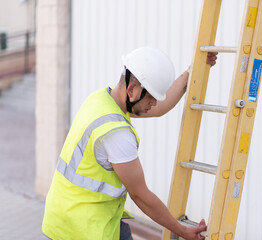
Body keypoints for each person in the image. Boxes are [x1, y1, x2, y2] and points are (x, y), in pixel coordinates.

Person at [42, 46, 217, 240]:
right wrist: (181, 230)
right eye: (151, 97)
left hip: (65, 216)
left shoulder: (100, 100)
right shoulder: (117, 134)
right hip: (83, 230)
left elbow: (158, 108)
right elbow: (140, 195)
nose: (154, 103)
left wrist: (191, 72)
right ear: (132, 90)